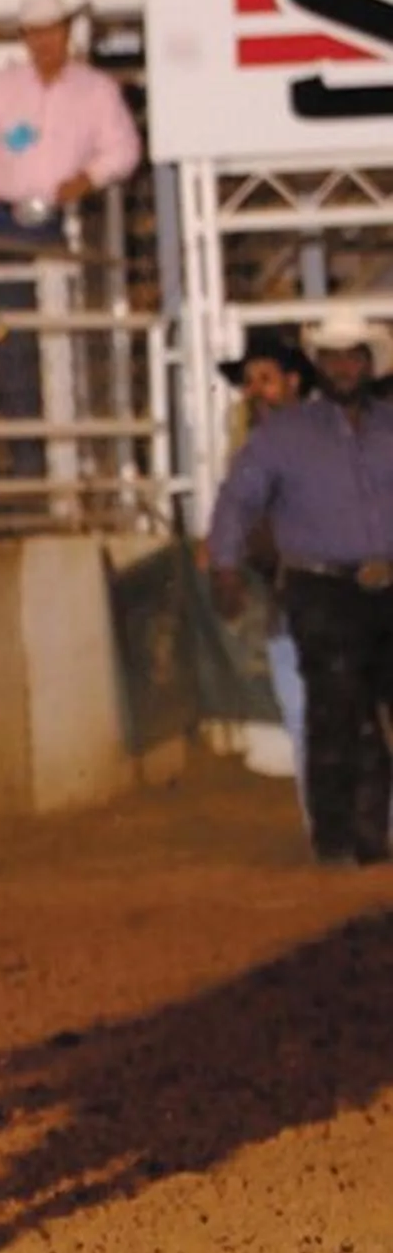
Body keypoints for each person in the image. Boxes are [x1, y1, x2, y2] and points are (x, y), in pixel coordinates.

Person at [205, 313, 393, 865]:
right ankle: (340, 838)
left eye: (352, 356)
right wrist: (225, 565)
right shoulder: (283, 436)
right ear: (319, 365)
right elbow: (238, 499)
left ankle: (360, 835)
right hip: (323, 586)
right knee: (337, 710)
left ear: (368, 363)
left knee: (349, 711)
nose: (343, 367)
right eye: (332, 357)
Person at [0, 0, 142, 480]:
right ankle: (29, 462)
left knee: (62, 344)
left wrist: (87, 177)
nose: (45, 42)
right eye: (36, 33)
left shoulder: (95, 91)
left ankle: (66, 461)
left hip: (54, 227)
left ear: (66, 33)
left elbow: (124, 149)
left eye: (52, 31)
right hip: (0, 226)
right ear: (25, 37)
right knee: (11, 345)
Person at [214, 334, 313, 811]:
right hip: (288, 602)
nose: (255, 390)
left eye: (265, 379)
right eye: (249, 381)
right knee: (302, 716)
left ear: (293, 382)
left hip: (330, 599)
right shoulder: (251, 455)